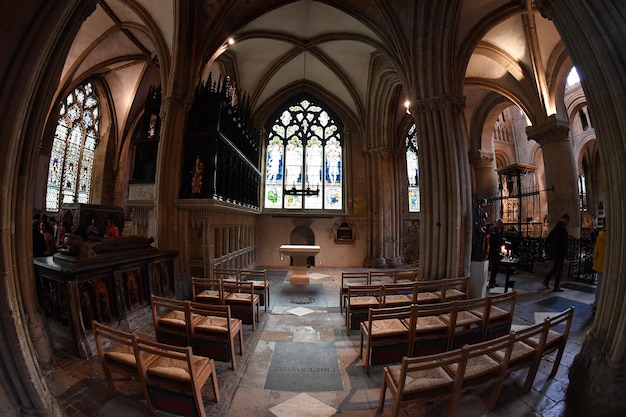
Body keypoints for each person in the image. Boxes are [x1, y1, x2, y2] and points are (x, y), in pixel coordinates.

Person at [543, 213, 570, 292]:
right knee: (559, 270)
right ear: (566, 219)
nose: (568, 223)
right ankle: (556, 286)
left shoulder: (557, 226)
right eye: (567, 221)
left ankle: (546, 281)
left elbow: (549, 236)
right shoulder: (563, 228)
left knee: (555, 268)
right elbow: (564, 243)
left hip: (555, 251)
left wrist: (546, 246)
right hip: (560, 252)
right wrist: (566, 255)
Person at [591, 224, 606, 312]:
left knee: (599, 286)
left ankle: (597, 304)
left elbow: (596, 250)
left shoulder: (601, 235)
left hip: (601, 264)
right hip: (611, 265)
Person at [488, 218, 505, 288]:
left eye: (502, 224)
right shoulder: (493, 231)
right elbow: (493, 241)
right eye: (500, 224)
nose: (501, 226)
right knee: (494, 268)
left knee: (496, 268)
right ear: (497, 224)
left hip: (496, 251)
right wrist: (501, 240)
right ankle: (491, 282)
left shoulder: (500, 230)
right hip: (492, 251)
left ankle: (493, 281)